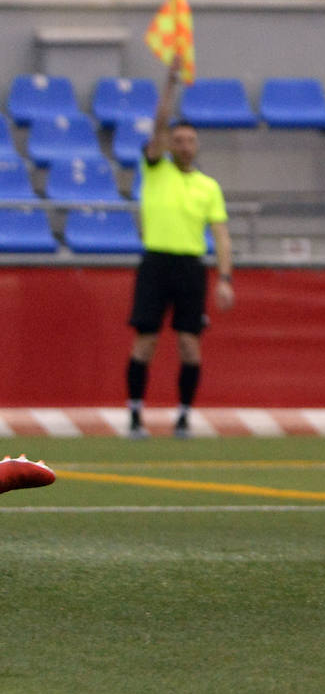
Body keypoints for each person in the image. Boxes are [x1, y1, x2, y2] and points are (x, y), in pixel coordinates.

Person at [125, 63, 235, 439]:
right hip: (156, 261)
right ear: (170, 144)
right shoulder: (156, 170)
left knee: (189, 344)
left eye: (190, 140)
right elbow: (158, 125)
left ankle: (184, 415)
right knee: (147, 340)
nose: (184, 145)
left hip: (190, 266)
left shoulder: (208, 186)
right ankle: (136, 415)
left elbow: (221, 235)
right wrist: (169, 85)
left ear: (196, 145)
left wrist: (224, 278)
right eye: (179, 139)